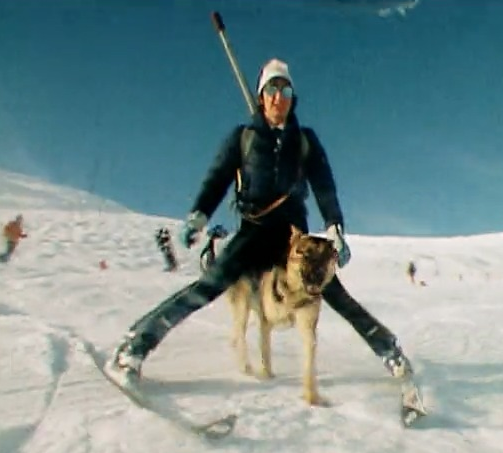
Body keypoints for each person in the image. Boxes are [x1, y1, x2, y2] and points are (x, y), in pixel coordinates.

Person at [107, 58, 413, 383]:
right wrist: (199, 215)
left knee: (333, 291)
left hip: (294, 237)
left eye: (285, 89)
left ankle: (389, 350)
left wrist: (334, 227)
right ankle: (135, 346)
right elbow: (218, 178)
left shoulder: (305, 140)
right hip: (253, 232)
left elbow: (324, 186)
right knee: (209, 285)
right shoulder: (244, 138)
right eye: (271, 89)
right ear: (261, 97)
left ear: (292, 98)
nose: (278, 96)